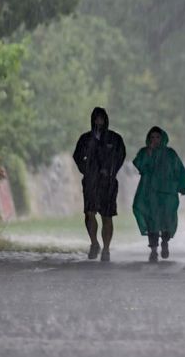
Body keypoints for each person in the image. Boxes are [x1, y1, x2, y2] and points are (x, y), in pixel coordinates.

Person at [72, 107, 126, 262]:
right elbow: (77, 156)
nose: (99, 121)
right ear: (92, 120)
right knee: (89, 213)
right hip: (90, 182)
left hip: (108, 183)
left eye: (101, 118)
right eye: (96, 118)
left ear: (106, 119)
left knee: (107, 216)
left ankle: (106, 249)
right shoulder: (85, 139)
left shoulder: (115, 139)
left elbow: (121, 156)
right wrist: (87, 171)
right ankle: (94, 243)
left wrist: (111, 171)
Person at [132, 126, 185, 262]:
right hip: (149, 192)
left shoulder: (170, 154)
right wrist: (149, 153)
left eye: (157, 137)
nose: (155, 140)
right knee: (152, 220)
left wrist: (182, 186)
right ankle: (153, 249)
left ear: (162, 138)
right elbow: (139, 165)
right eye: (152, 137)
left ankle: (165, 242)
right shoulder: (144, 152)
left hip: (167, 193)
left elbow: (179, 170)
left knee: (166, 219)